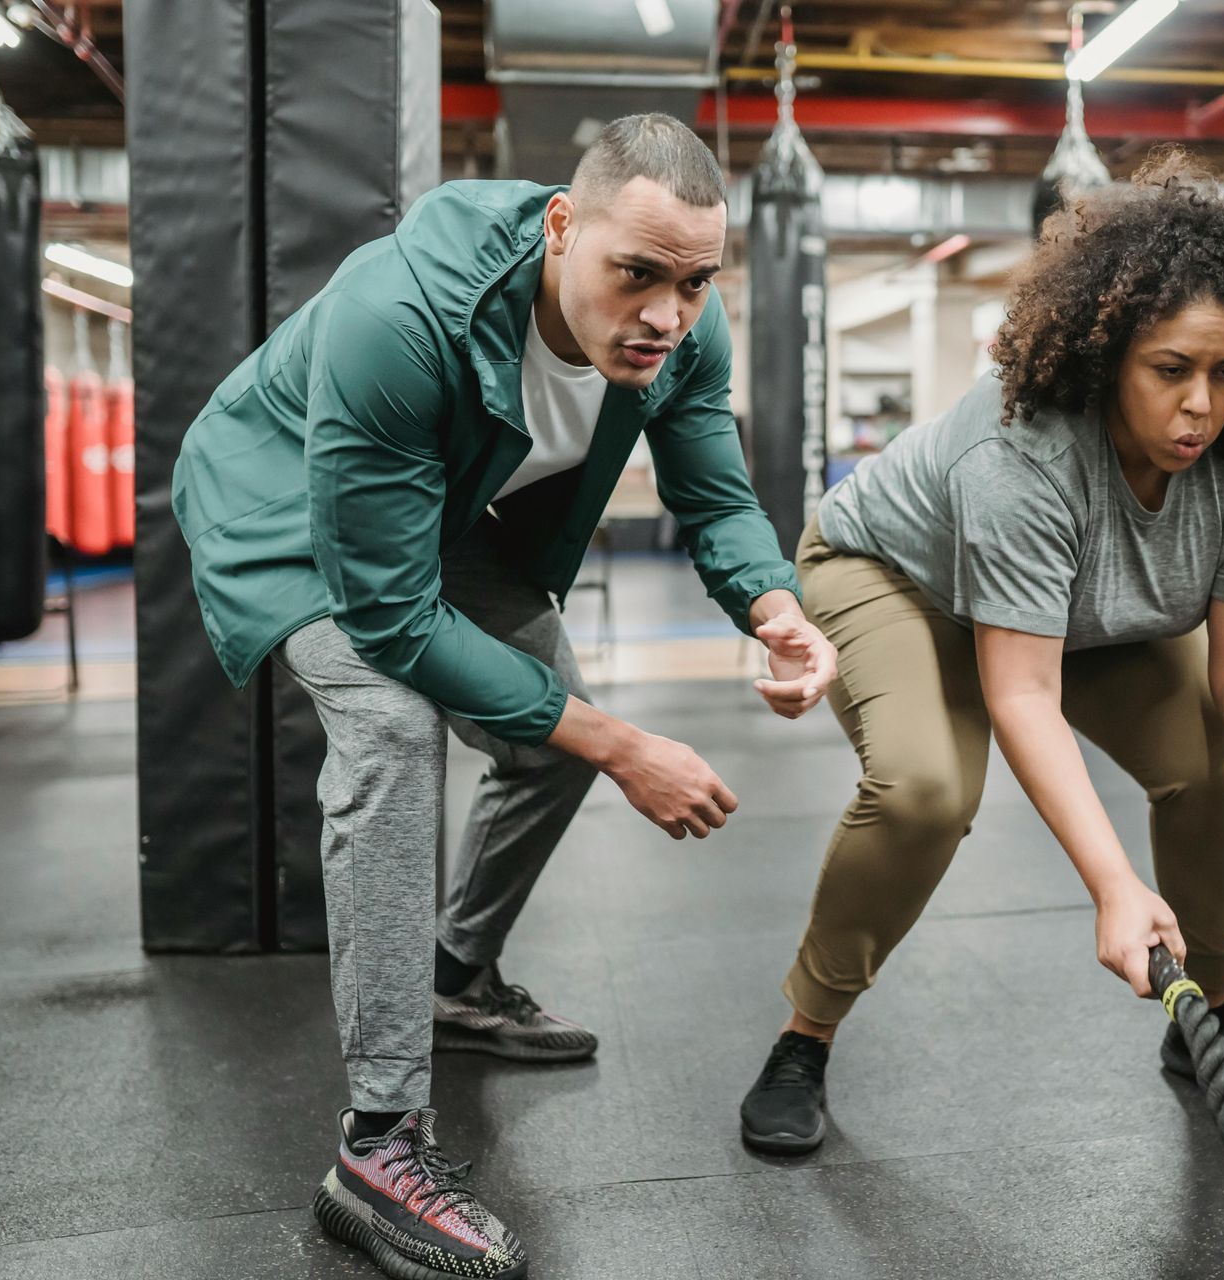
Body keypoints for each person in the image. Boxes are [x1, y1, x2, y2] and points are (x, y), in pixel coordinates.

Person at [174, 114, 835, 1279]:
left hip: (431, 501)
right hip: (279, 500)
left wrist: (774, 605)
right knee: (390, 724)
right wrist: (626, 742)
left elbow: (715, 491)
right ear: (561, 228)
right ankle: (377, 1146)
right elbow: (388, 616)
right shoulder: (400, 311)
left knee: (553, 733)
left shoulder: (682, 319)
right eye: (636, 275)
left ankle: (454, 974)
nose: (665, 315)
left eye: (692, 282)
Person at [738, 153, 1224, 1155]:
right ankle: (803, 1037)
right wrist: (1115, 887)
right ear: (1111, 356)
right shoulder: (1022, 446)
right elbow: (1022, 693)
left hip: (1082, 612)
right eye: (1171, 370)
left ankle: (1209, 1018)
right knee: (926, 789)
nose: (1201, 404)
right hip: (898, 577)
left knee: (1214, 764)